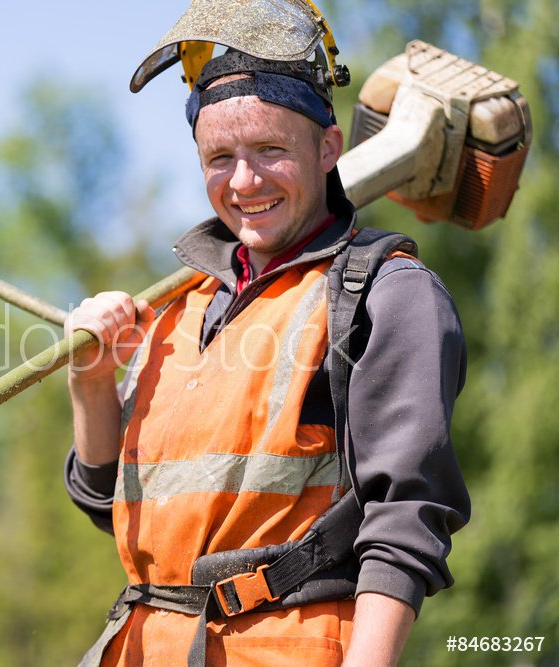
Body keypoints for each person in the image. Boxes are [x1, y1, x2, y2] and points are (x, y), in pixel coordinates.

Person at [63, 49, 470, 666]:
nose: (245, 181)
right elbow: (109, 505)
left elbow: (406, 520)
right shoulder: (180, 305)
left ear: (329, 148)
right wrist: (91, 384)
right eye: (219, 159)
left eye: (269, 149)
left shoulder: (388, 292)